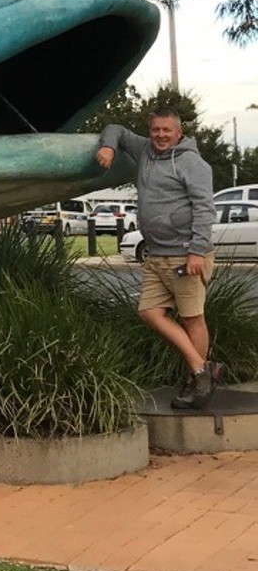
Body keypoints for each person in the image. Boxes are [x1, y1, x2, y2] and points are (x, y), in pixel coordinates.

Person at [95, 109, 225, 411]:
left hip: (186, 254)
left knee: (192, 318)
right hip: (157, 253)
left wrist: (196, 251)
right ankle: (201, 368)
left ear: (179, 133)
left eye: (167, 130)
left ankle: (196, 381)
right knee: (149, 312)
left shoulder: (193, 163)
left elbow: (205, 209)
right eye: (156, 130)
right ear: (150, 131)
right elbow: (116, 127)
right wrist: (108, 146)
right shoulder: (145, 151)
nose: (161, 135)